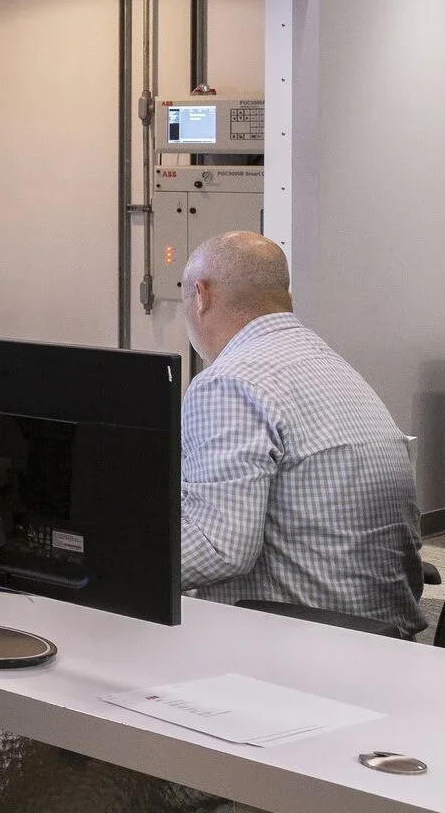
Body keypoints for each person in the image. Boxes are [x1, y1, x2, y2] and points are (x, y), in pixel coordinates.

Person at [178, 231, 424, 634]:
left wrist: (102, 555)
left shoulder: (228, 381)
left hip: (303, 638)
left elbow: (218, 547)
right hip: (377, 628)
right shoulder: (323, 362)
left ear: (201, 296)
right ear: (284, 296)